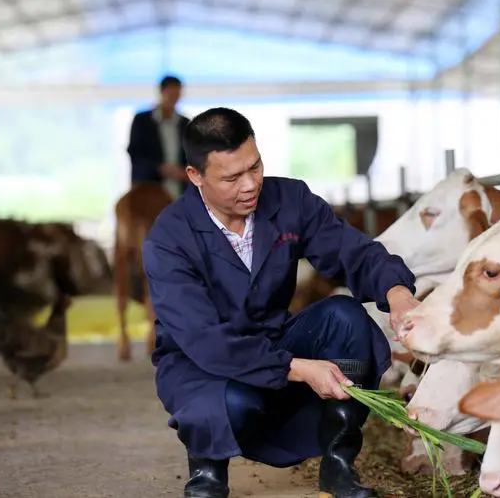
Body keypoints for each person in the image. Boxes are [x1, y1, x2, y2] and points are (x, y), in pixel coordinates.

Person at [142, 107, 420, 498]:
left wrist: (398, 292)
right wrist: (298, 368)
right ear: (195, 176)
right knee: (232, 402)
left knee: (345, 317)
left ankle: (339, 465)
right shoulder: (169, 239)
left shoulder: (290, 200)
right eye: (232, 177)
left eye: (254, 167)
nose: (250, 184)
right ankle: (207, 473)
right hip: (203, 365)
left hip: (274, 341)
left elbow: (352, 252)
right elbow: (206, 340)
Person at [126, 75, 191, 199]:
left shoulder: (185, 124)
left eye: (177, 95)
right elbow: (135, 153)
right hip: (149, 190)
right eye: (171, 94)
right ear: (161, 92)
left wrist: (185, 172)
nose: (174, 99)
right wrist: (160, 168)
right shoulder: (142, 121)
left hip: (179, 192)